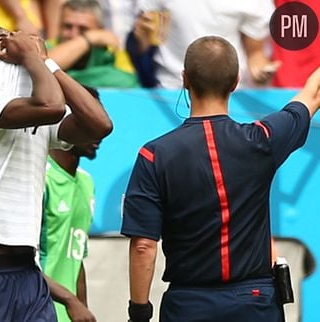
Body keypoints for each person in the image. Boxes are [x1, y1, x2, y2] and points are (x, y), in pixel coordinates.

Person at [121, 36, 320, 322]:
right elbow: (313, 93)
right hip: (255, 303)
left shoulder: (153, 155)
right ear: (236, 81)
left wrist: (139, 313)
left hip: (188, 304)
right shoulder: (262, 139)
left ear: (185, 79)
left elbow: (143, 246)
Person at [0, 27, 112, 322]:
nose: (16, 38)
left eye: (13, 35)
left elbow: (99, 125)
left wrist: (49, 64)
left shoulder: (36, 105)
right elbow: (52, 106)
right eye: (1, 41)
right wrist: (33, 57)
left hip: (28, 276)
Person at [40, 86, 102, 322]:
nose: (100, 132)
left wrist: (81, 307)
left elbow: (76, 258)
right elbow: (19, 259)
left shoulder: (86, 182)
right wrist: (70, 301)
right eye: (90, 121)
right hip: (35, 311)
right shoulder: (40, 179)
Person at [128, 0, 278, 88]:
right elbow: (142, 44)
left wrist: (260, 71)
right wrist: (141, 39)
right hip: (171, 88)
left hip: (229, 94)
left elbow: (255, 53)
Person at [47, 0, 139, 88]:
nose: (73, 35)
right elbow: (44, 69)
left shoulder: (111, 52)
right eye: (68, 27)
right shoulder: (46, 47)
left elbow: (129, 83)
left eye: (83, 29)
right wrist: (87, 39)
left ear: (99, 30)